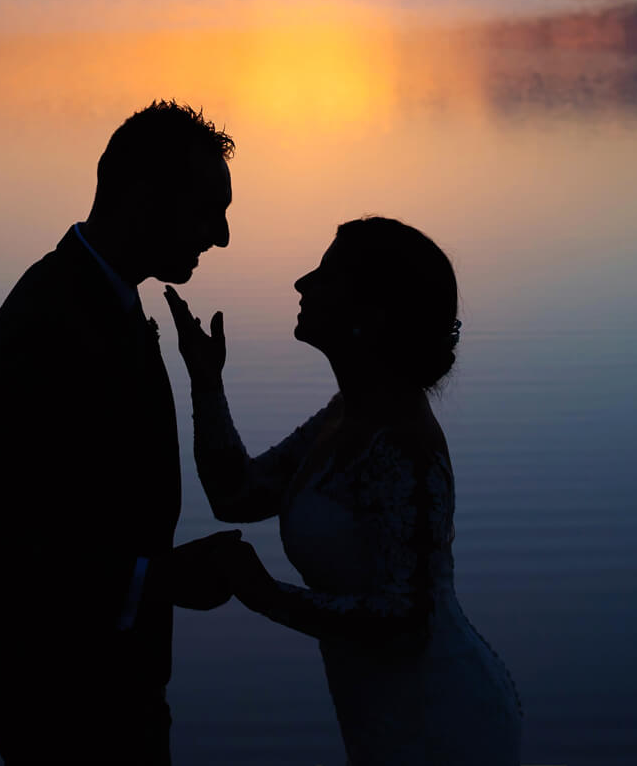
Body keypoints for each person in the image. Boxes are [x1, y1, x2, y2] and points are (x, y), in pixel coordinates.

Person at [164, 216, 523, 765]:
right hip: (380, 712)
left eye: (326, 275)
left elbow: (405, 625)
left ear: (371, 313)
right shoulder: (346, 416)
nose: (302, 284)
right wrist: (206, 379)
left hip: (442, 721)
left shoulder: (402, 444)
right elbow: (236, 495)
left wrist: (264, 594)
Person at [0, 100, 243, 764]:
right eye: (208, 209)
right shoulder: (48, 319)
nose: (221, 236)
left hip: (101, 676)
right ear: (145, 198)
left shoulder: (107, 294)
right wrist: (159, 579)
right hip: (56, 687)